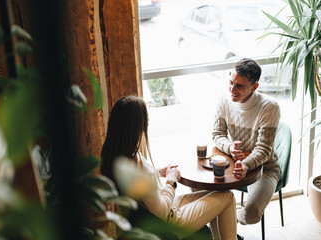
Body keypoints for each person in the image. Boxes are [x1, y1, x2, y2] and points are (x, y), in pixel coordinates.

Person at [101, 95, 237, 240]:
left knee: (215, 193)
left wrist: (160, 172)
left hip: (157, 210)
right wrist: (171, 180)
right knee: (227, 196)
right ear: (136, 124)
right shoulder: (137, 163)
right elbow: (162, 211)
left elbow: (144, 186)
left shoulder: (116, 155)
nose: (148, 120)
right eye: (145, 116)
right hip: (168, 222)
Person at [212, 58, 281, 226]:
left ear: (254, 86)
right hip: (231, 163)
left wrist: (245, 165)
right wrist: (229, 147)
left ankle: (232, 216)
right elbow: (217, 134)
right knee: (205, 197)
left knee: (251, 216)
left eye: (239, 86)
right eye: (230, 82)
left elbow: (264, 150)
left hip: (264, 168)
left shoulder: (269, 107)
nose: (232, 89)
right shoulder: (224, 98)